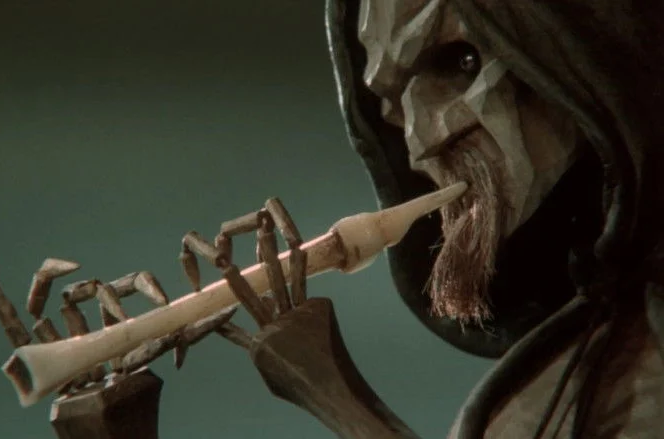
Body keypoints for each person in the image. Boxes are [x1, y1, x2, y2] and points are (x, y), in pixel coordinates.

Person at [218, 0, 664, 437]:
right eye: (394, 108)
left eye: (461, 62)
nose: (420, 144)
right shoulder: (580, 356)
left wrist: (331, 392)